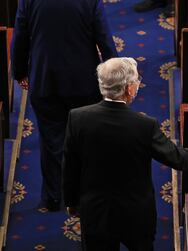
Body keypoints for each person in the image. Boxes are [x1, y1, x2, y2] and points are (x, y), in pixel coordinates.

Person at [62, 57, 188, 251]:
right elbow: (178, 159)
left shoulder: (77, 118)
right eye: (136, 82)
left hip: (95, 211)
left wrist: (72, 202)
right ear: (128, 89)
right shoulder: (144, 125)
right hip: (135, 214)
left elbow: (70, 167)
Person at [11, 0, 118, 211]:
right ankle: (84, 195)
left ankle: (53, 198)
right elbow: (104, 39)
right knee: (85, 138)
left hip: (45, 80)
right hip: (83, 82)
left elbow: (20, 38)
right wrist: (115, 78)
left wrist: (20, 71)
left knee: (51, 141)